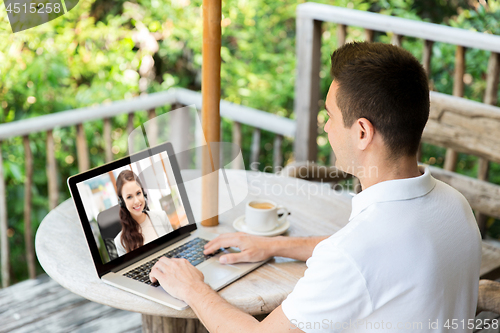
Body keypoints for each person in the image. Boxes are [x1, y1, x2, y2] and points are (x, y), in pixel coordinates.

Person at [149, 42, 482, 332]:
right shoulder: (454, 206)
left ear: (362, 132)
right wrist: (274, 246)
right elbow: (379, 257)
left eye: (331, 116)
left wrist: (192, 287)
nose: (326, 127)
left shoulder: (356, 252)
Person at [114, 170, 174, 256]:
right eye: (129, 197)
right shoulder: (120, 242)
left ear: (144, 193)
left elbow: (175, 248)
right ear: (122, 202)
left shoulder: (162, 217)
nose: (136, 201)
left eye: (138, 193)